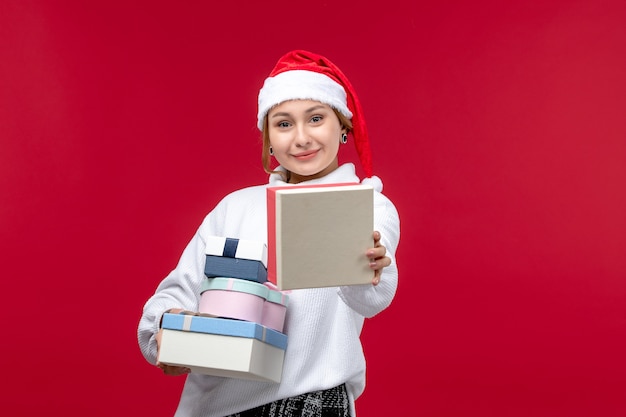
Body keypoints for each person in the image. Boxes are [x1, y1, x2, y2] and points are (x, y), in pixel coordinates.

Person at [138, 49, 401, 417]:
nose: (301, 137)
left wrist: (368, 268)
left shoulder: (369, 206)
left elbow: (372, 298)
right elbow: (170, 300)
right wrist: (169, 335)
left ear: (343, 126)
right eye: (283, 123)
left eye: (315, 118)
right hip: (214, 405)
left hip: (313, 402)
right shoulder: (235, 207)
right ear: (268, 137)